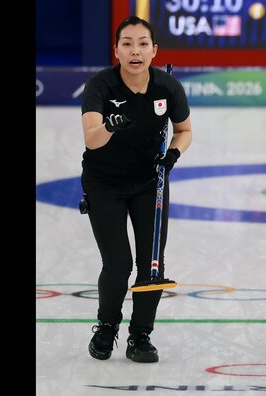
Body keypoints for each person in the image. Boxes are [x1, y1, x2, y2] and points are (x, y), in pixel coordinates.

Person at [80, 16, 192, 363]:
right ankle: (107, 328)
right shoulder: (100, 86)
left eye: (143, 43)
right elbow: (92, 139)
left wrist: (173, 152)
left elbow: (184, 130)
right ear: (116, 50)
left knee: (152, 264)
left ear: (154, 50)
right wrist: (111, 125)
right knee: (117, 263)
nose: (135, 51)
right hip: (104, 183)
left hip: (150, 182)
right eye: (127, 43)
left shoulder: (167, 87)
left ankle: (140, 335)